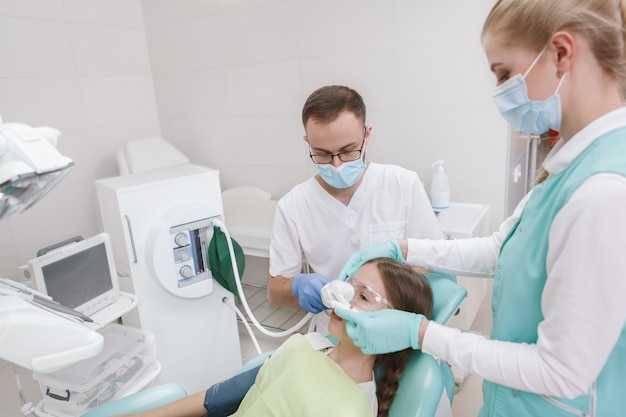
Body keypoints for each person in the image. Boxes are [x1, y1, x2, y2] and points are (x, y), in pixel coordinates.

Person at [335, 1, 626, 417]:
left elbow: (561, 372)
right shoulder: (569, 165)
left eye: (504, 73)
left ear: (561, 53)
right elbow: (500, 248)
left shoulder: (604, 192)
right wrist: (403, 247)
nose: (500, 90)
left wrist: (421, 332)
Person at [115, 258, 434, 417]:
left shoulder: (351, 408)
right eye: (348, 284)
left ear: (394, 329)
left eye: (363, 297)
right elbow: (217, 397)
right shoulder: (307, 345)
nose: (342, 297)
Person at [267, 85, 443, 334]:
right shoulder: (293, 206)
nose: (337, 165)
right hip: (334, 332)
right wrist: (296, 286)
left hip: (395, 330)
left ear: (367, 135)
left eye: (348, 151)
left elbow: (431, 264)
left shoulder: (402, 184)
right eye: (323, 154)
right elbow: (275, 292)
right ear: (308, 143)